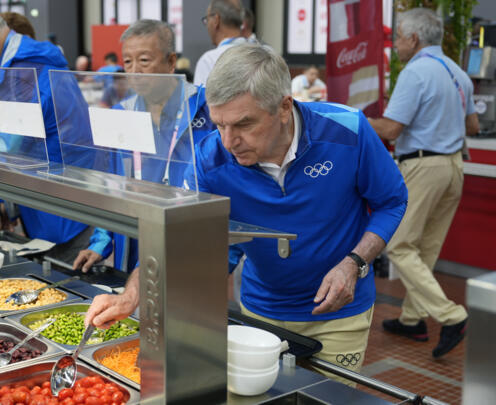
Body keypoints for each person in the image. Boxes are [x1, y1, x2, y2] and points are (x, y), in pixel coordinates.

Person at [85, 43, 408, 380]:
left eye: (243, 124)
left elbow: (392, 201)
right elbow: (175, 235)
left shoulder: (348, 130)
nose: (229, 141)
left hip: (340, 314)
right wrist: (132, 296)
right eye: (219, 125)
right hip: (260, 310)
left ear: (284, 107)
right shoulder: (209, 158)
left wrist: (354, 263)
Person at [368, 8, 479, 358]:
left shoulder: (415, 72)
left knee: (399, 244)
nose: (396, 43)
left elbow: (390, 129)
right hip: (454, 167)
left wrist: (353, 118)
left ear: (414, 39)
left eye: (398, 36)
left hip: (423, 166)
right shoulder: (459, 73)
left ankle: (453, 316)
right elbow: (473, 127)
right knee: (426, 248)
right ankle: (413, 319)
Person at [0, 0, 92, 262]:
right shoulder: (15, 65)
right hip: (50, 199)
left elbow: (7, 145)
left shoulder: (24, 70)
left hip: (64, 208)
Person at [72, 20, 216, 273]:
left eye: (145, 60)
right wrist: (101, 241)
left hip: (190, 236)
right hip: (136, 238)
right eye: (128, 62)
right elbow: (112, 184)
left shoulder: (206, 108)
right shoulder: (122, 113)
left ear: (171, 62)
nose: (135, 70)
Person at [193, 0, 246, 86]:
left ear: (216, 20)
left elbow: (200, 99)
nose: (206, 25)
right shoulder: (266, 52)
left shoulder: (209, 60)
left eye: (207, 19)